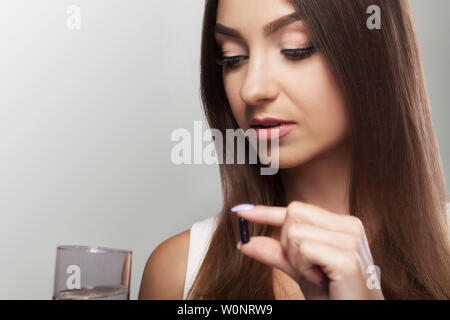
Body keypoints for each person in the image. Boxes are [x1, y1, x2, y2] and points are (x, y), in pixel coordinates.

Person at [139, 0, 450, 300]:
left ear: (374, 52)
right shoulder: (178, 275)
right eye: (232, 58)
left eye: (295, 49)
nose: (252, 89)